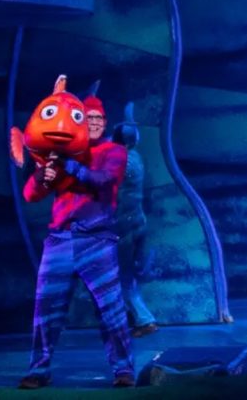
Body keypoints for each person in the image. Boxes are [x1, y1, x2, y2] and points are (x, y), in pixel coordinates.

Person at [19, 83, 134, 389]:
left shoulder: (114, 151)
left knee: (111, 309)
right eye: (88, 117)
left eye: (98, 119)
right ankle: (38, 371)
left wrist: (68, 165)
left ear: (105, 123)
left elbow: (103, 179)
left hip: (97, 240)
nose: (93, 122)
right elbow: (30, 194)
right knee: (45, 310)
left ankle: (123, 370)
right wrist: (43, 176)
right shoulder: (62, 150)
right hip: (59, 240)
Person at [109, 101, 158, 337]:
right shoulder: (137, 157)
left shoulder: (120, 160)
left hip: (124, 226)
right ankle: (133, 318)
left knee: (124, 277)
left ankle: (144, 319)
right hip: (138, 221)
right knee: (128, 276)